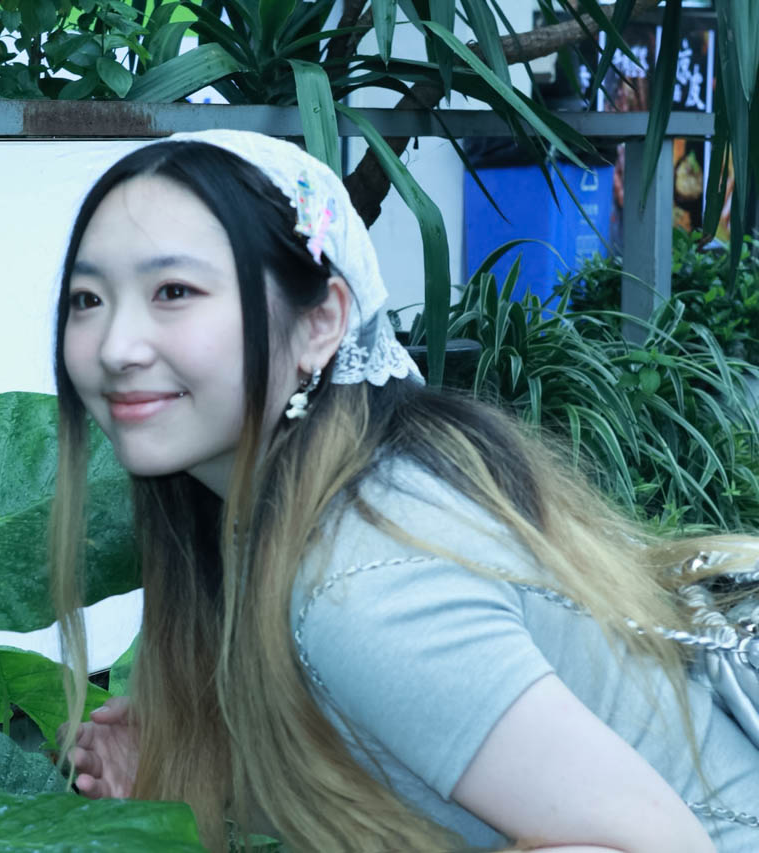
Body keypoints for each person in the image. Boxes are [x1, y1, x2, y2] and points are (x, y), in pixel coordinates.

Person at [48, 130, 759, 852]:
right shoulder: (349, 491)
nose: (115, 346)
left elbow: (653, 842)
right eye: (88, 297)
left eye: (174, 291)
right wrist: (231, 771)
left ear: (321, 322)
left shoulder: (365, 579)